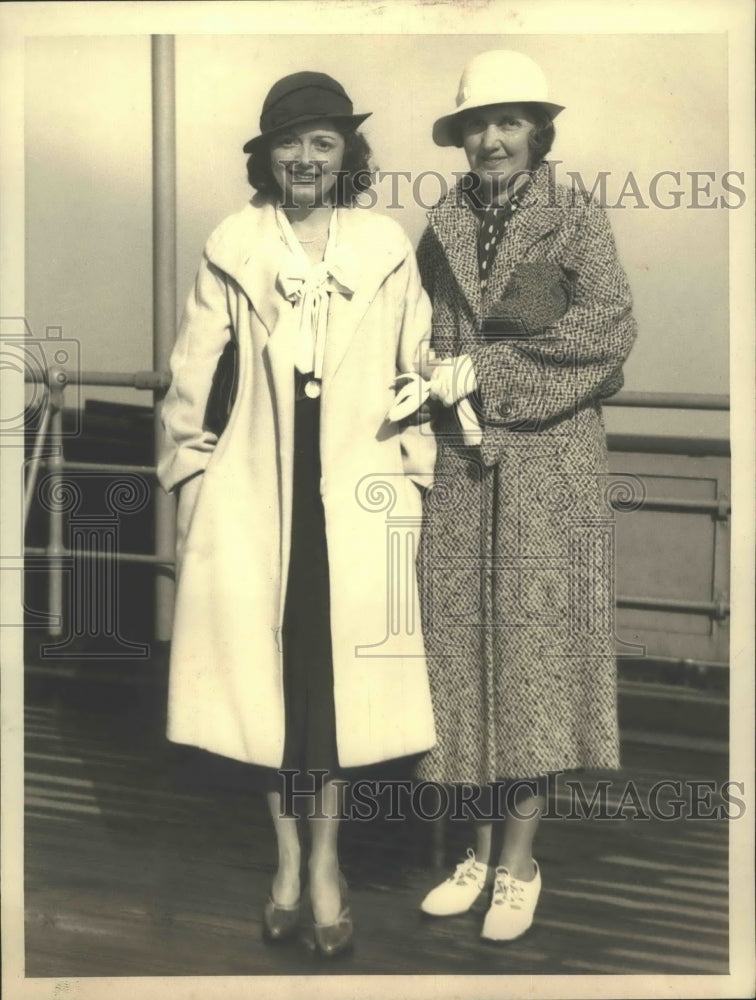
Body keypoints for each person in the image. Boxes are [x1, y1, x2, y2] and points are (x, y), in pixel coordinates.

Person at [157, 71, 436, 959]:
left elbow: (418, 369)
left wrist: (415, 481)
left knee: (333, 696)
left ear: (348, 153)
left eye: (324, 141)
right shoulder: (234, 244)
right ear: (266, 156)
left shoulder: (384, 245)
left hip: (357, 498)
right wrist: (192, 479)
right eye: (290, 142)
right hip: (256, 500)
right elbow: (191, 378)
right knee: (267, 692)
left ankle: (326, 865)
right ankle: (284, 863)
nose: (306, 158)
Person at [413, 50, 637, 942]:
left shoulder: (576, 216)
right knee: (461, 654)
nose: (492, 139)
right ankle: (475, 855)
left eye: (509, 122)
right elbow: (425, 330)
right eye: (478, 124)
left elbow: (608, 334)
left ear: (538, 132)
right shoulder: (442, 224)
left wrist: (488, 371)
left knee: (536, 660)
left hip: (551, 469)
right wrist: (426, 373)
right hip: (461, 465)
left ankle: (519, 864)